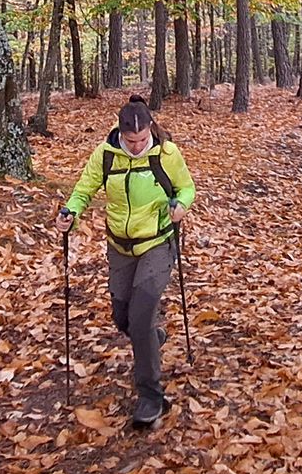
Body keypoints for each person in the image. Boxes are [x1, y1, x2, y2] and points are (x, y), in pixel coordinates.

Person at [54, 94, 196, 428]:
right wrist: (69, 214)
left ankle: (151, 397)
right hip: (119, 246)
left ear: (151, 130)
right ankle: (151, 340)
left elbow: (186, 188)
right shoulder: (105, 155)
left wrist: (180, 205)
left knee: (142, 311)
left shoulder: (166, 153)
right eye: (131, 141)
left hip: (157, 243)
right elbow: (82, 191)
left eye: (143, 139)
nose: (136, 146)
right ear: (120, 133)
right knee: (123, 317)